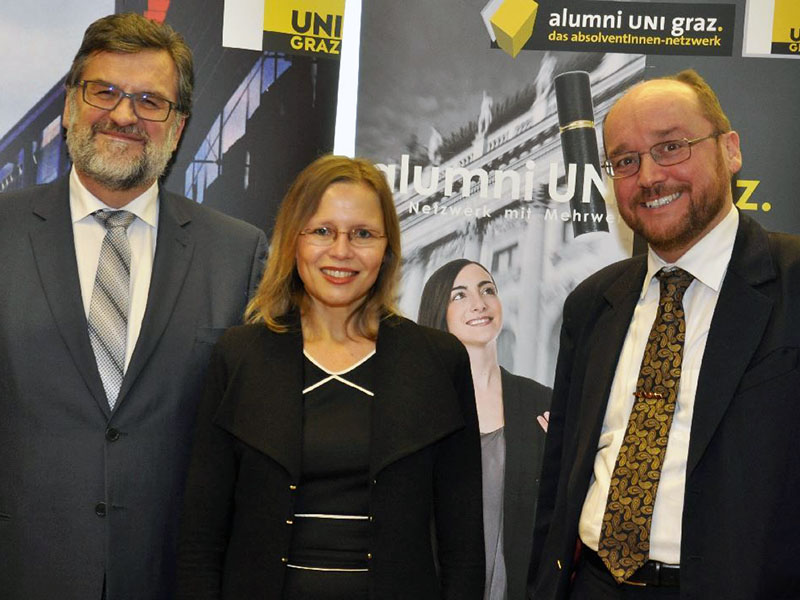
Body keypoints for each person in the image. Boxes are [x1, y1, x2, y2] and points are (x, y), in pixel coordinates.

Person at [0, 13, 267, 600]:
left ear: (178, 127)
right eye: (105, 92)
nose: (124, 115)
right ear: (72, 104)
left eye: (151, 100)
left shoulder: (238, 252)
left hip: (171, 575)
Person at [529, 68, 800, 600]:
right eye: (625, 161)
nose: (649, 176)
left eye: (671, 147)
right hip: (594, 585)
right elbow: (559, 477)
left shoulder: (794, 282)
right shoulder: (592, 304)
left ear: (731, 150)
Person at [176, 155, 485, 599]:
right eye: (322, 231)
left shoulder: (439, 361)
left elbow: (463, 548)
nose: (341, 251)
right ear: (293, 241)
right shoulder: (239, 356)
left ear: (387, 248)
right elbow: (201, 541)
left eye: (362, 234)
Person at [418, 259, 551, 600]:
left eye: (488, 290)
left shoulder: (542, 403)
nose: (479, 303)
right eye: (459, 295)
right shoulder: (420, 408)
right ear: (438, 312)